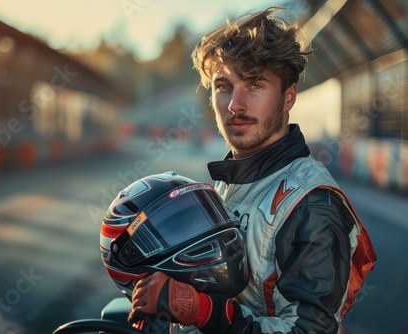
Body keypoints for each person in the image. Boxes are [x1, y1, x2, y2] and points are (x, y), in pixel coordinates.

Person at [128, 7, 377, 334]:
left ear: (288, 97)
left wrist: (202, 311)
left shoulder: (312, 205)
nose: (235, 105)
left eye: (255, 85)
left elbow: (309, 331)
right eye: (223, 86)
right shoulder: (229, 183)